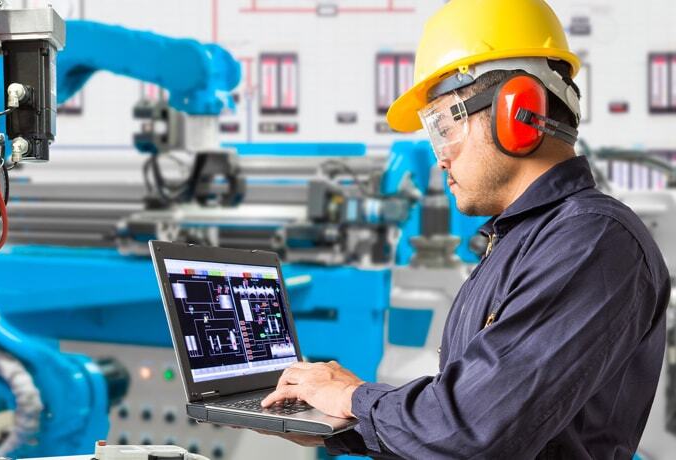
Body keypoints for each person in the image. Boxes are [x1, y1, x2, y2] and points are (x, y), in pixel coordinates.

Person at [257, 0, 671, 458]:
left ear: (518, 111)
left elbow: (472, 432)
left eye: (442, 126)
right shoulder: (520, 240)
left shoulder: (591, 242)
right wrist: (340, 423)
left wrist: (352, 398)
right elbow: (469, 405)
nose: (439, 156)